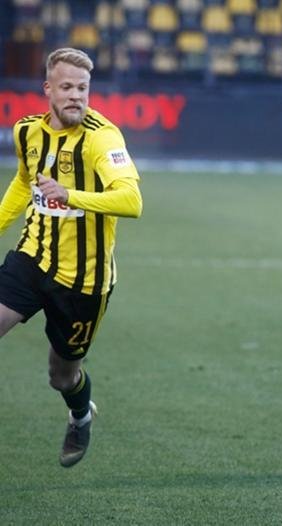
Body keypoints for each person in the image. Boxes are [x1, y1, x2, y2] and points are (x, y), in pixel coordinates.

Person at [0, 48, 143, 468]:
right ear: (48, 89)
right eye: (66, 87)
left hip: (83, 281)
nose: (76, 95)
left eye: (82, 88)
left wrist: (71, 195)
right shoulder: (27, 131)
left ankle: (80, 415)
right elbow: (24, 182)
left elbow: (132, 200)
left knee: (61, 376)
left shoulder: (103, 137)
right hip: (32, 258)